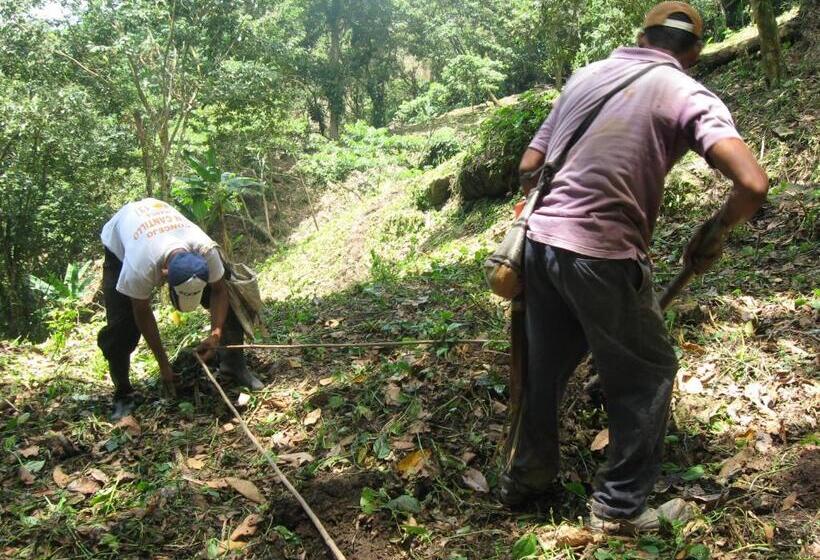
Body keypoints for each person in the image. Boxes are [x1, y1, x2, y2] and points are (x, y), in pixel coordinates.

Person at [501, 1, 768, 533]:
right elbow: (753, 184)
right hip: (603, 251)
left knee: (546, 368)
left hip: (541, 244)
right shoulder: (686, 91)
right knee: (648, 374)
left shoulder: (587, 75)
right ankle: (619, 508)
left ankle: (527, 477)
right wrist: (713, 230)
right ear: (693, 52)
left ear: (642, 37)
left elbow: (530, 166)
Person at [97, 198, 264, 420]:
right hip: (121, 240)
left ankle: (233, 364)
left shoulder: (208, 252)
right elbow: (142, 312)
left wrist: (215, 334)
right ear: (164, 275)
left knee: (233, 295)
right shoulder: (140, 266)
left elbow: (220, 292)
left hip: (164, 228)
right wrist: (163, 366)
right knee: (121, 328)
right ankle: (123, 393)